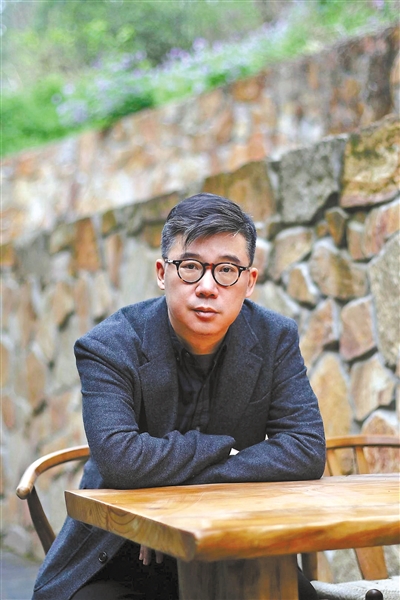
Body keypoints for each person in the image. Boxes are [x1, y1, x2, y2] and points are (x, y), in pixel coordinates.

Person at [32, 193, 325, 600]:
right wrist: (226, 451)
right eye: (190, 267)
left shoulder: (275, 338)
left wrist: (175, 496)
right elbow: (120, 459)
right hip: (121, 554)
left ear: (249, 281)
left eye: (226, 270)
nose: (207, 287)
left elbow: (306, 449)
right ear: (161, 273)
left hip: (231, 544)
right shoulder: (109, 345)